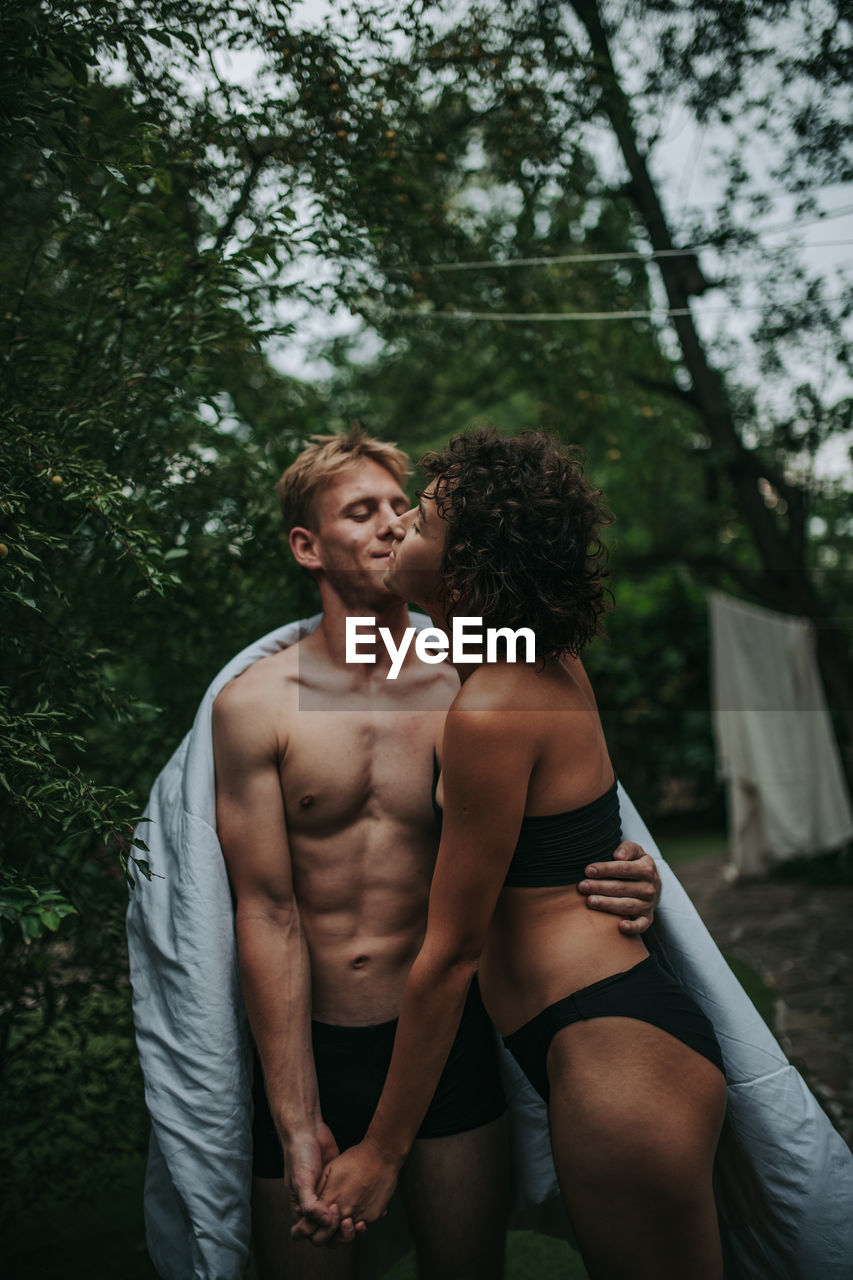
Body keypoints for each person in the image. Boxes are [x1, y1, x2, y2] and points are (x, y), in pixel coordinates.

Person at [209, 426, 662, 1280]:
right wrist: (294, 1116)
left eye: (400, 506)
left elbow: (567, 792)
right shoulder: (254, 706)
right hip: (310, 1049)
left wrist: (627, 865)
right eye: (360, 510)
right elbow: (265, 911)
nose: (390, 523)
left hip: (448, 1040)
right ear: (307, 546)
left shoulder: (481, 671)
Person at [302, 429, 728, 1279]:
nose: (396, 528)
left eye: (419, 521)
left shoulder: (491, 708)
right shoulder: (536, 655)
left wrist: (382, 1150)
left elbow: (451, 952)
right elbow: (383, 653)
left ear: (464, 576)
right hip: (606, 1029)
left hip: (615, 1054)